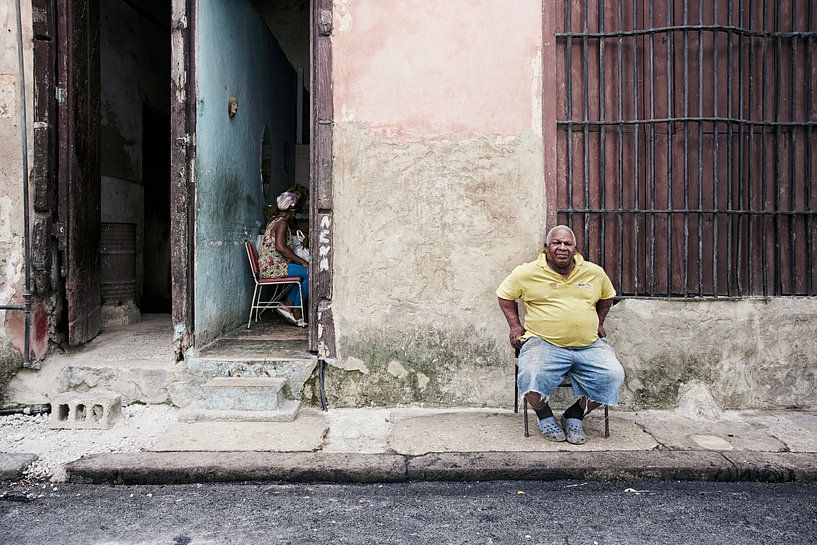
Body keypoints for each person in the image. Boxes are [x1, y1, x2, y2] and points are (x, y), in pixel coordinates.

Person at [496, 225, 624, 444]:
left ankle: (575, 414)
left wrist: (599, 323)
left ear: (576, 248)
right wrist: (515, 327)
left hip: (589, 345)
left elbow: (607, 297)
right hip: (543, 343)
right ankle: (544, 416)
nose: (562, 247)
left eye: (567, 243)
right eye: (556, 243)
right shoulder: (526, 273)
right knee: (530, 376)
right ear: (547, 247)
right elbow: (504, 296)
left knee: (613, 376)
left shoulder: (594, 272)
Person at [258, 191, 309, 327]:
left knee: (301, 275)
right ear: (291, 210)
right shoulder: (282, 223)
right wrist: (303, 261)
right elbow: (281, 247)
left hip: (269, 266)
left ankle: (288, 304)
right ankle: (297, 310)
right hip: (274, 267)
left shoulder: (273, 220)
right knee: (310, 274)